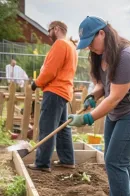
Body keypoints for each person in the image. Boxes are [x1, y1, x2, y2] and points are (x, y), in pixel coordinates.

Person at [68, 16, 130, 196]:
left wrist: (87, 118)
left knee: (115, 160)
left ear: (102, 33)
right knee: (116, 159)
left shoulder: (125, 55)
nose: (89, 46)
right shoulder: (99, 54)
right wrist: (93, 96)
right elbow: (103, 85)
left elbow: (115, 96)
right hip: (118, 114)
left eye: (91, 40)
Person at [27, 21, 77, 173]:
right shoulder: (71, 47)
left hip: (54, 91)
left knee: (47, 127)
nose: (48, 35)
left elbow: (50, 71)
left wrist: (37, 82)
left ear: (56, 29)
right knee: (63, 128)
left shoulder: (60, 44)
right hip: (64, 92)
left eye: (49, 31)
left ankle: (42, 163)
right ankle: (67, 160)